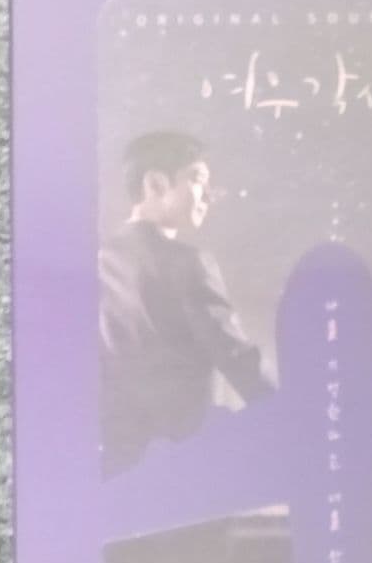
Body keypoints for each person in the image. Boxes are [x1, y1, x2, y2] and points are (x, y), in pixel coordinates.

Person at [99, 131, 272, 476]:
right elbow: (236, 357)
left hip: (112, 461)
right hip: (180, 462)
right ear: (155, 184)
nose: (209, 194)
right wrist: (288, 415)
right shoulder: (190, 264)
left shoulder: (97, 261)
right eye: (197, 179)